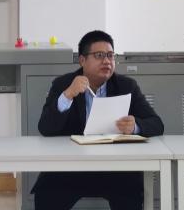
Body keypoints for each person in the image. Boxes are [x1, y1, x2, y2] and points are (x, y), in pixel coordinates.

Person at [34, 29, 164, 210]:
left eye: (110, 55)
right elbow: (45, 127)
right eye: (99, 55)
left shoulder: (126, 86)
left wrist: (135, 126)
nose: (107, 61)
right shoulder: (64, 84)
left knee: (130, 193)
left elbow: (157, 124)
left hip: (115, 169)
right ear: (82, 60)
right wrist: (68, 95)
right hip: (71, 167)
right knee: (47, 194)